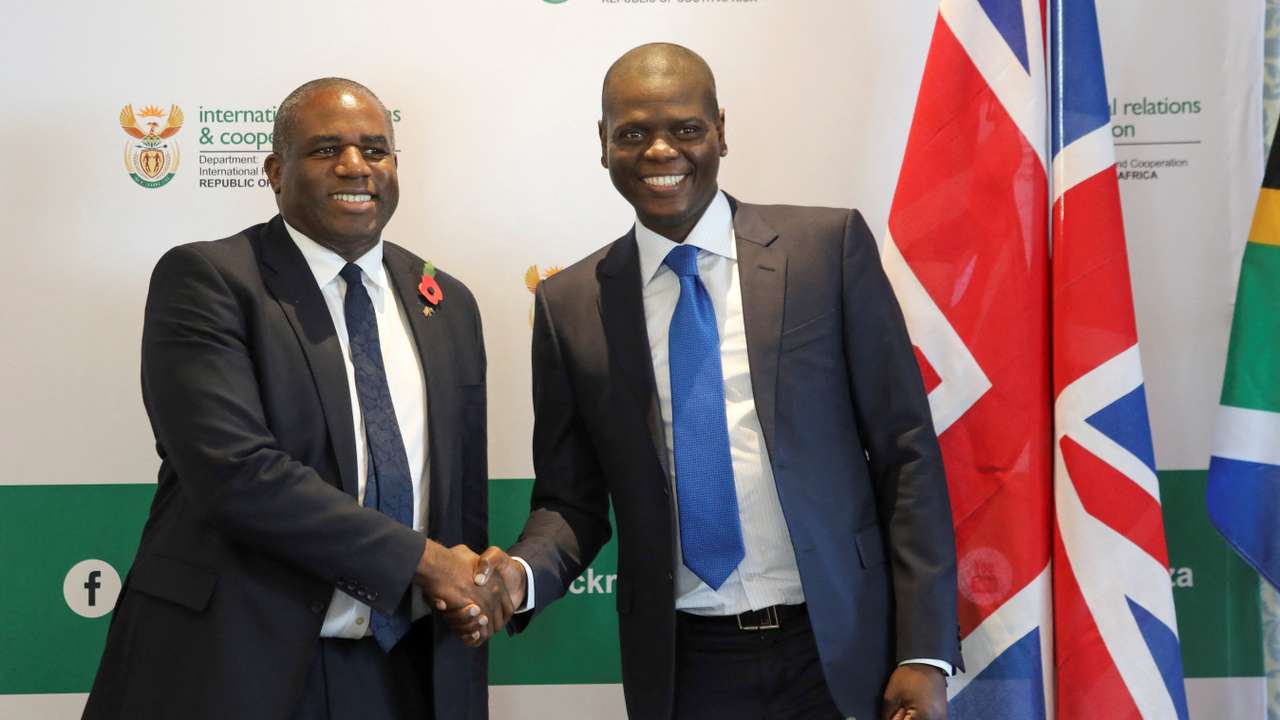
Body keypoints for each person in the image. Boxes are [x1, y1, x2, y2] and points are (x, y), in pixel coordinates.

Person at [450, 44, 962, 719]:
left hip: (840, 644)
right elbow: (571, 503)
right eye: (632, 133)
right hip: (686, 666)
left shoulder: (825, 251)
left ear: (720, 129)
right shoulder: (570, 306)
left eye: (686, 129)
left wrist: (923, 651)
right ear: (603, 145)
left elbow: (907, 454)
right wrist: (517, 578)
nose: (661, 150)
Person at [82, 77, 510, 720]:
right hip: (239, 666)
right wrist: (425, 563)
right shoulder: (209, 280)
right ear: (275, 171)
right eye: (325, 149)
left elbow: (458, 497)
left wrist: (472, 587)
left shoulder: (445, 302)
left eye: (375, 149)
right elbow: (238, 476)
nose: (354, 166)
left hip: (408, 673)